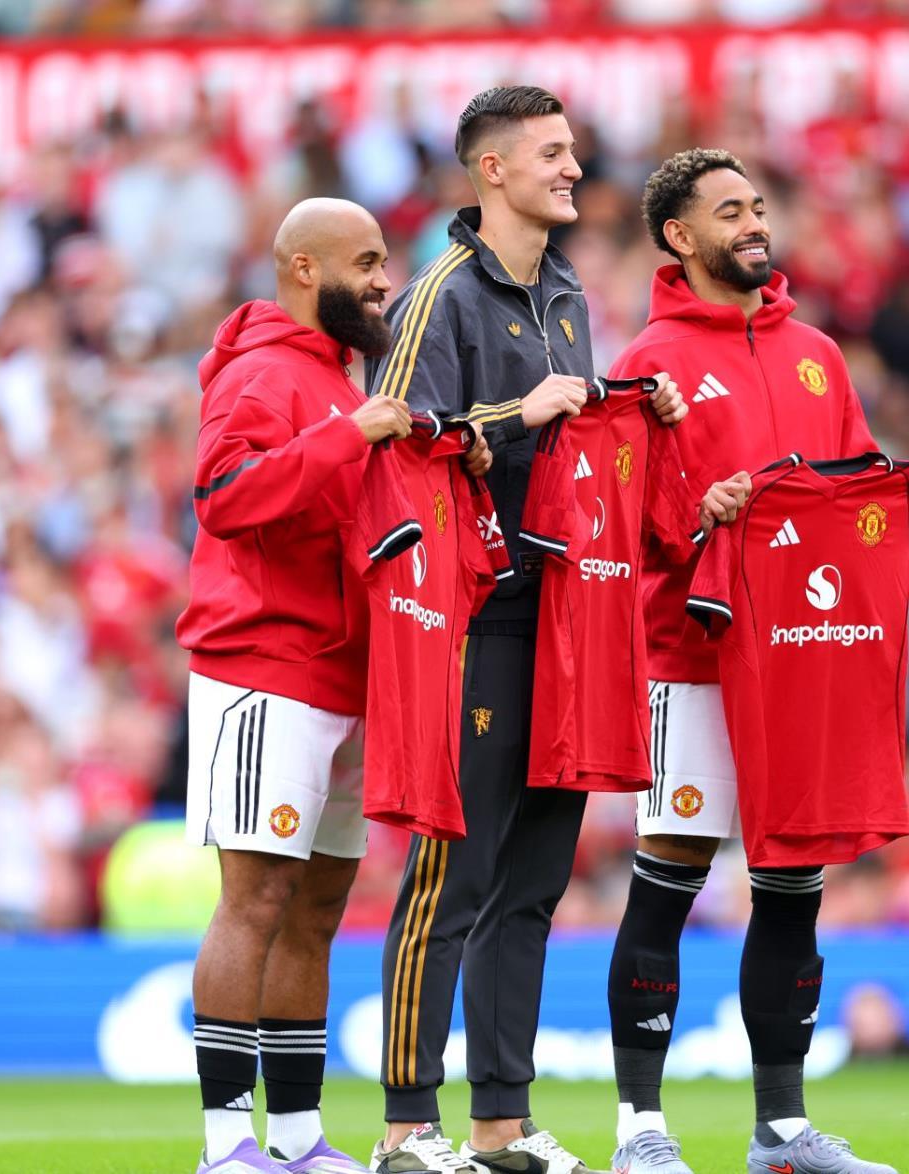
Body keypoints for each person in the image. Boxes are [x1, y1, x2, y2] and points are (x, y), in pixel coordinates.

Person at [364, 85, 701, 1174]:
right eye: (551, 152)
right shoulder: (439, 296)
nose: (572, 168)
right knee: (451, 878)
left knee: (532, 887)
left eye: (572, 150)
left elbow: (568, 448)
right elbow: (395, 446)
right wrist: (524, 412)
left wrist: (629, 410)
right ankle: (406, 1127)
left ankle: (500, 1124)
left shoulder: (564, 293)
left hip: (566, 613)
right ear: (493, 169)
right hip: (472, 620)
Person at [603, 148, 909, 1174]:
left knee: (792, 885)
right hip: (690, 656)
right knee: (668, 879)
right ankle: (639, 1129)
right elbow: (622, 510)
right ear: (680, 236)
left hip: (801, 657)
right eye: (730, 211)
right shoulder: (648, 359)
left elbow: (848, 490)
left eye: (757, 206)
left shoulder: (818, 354)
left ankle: (782, 1132)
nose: (755, 223)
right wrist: (697, 511)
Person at [176, 198, 422, 1174]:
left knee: (317, 906)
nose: (381, 280)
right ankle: (225, 1143)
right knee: (256, 897)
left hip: (346, 674)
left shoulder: (336, 379)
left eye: (383, 261)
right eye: (365, 262)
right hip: (264, 666)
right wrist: (348, 436)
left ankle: (295, 1137)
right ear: (303, 268)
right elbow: (222, 495)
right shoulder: (260, 372)